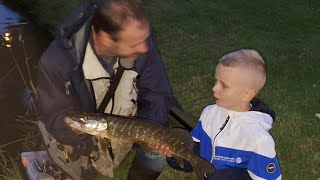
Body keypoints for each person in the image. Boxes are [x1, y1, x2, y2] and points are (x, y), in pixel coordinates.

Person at [36, 0, 178, 179]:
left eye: (144, 40)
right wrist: (75, 132)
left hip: (126, 125)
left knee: (157, 154)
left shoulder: (140, 41)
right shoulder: (56, 62)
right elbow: (53, 115)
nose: (145, 48)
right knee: (75, 167)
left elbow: (156, 93)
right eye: (134, 44)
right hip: (87, 132)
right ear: (104, 37)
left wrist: (153, 133)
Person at [167, 49, 282, 179]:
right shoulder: (209, 113)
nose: (214, 88)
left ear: (247, 94)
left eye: (224, 85)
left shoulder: (258, 139)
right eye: (216, 81)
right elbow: (195, 151)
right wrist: (176, 154)